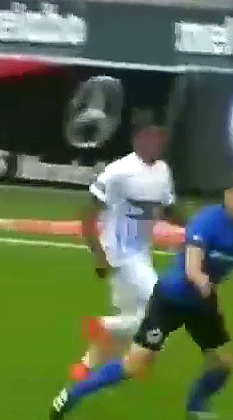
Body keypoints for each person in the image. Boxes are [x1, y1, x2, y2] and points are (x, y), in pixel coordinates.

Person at [49, 173, 233, 420]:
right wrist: (201, 281)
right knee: (134, 364)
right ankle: (73, 394)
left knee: (223, 364)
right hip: (172, 298)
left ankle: (196, 406)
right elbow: (192, 266)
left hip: (202, 302)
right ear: (228, 196)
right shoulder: (207, 222)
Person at [72, 123, 179, 381]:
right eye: (149, 139)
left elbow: (169, 208)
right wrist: (99, 255)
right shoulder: (118, 171)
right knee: (163, 308)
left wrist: (197, 232)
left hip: (141, 252)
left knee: (131, 318)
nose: (155, 145)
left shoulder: (162, 171)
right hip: (120, 253)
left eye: (159, 140)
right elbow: (88, 215)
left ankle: (86, 366)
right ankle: (104, 327)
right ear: (137, 141)